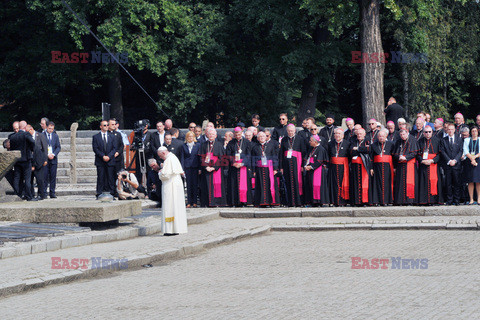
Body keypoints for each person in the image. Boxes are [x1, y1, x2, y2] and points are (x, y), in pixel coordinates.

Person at [158, 147, 188, 235]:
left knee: (170, 205)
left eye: (161, 156)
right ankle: (176, 228)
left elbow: (165, 175)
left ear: (163, 153)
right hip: (176, 183)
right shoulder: (173, 157)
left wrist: (159, 173)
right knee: (176, 206)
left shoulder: (168, 159)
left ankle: (170, 230)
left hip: (170, 184)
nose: (161, 159)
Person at [198, 128, 227, 207]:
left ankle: (217, 203)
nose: (211, 136)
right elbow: (201, 158)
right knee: (206, 186)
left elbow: (222, 158)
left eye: (213, 134)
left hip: (216, 170)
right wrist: (206, 167)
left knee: (217, 185)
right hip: (206, 169)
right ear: (207, 135)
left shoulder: (219, 144)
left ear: (216, 136)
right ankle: (207, 203)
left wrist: (214, 167)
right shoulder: (203, 145)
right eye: (210, 134)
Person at [279, 124, 306, 206]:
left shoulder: (300, 139)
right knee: (288, 182)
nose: (290, 132)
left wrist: (302, 165)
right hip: (286, 165)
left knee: (298, 182)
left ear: (295, 131)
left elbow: (304, 152)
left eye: (292, 131)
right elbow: (280, 154)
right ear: (287, 131)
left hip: (297, 164)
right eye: (289, 131)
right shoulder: (284, 139)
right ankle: (290, 202)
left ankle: (298, 202)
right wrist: (281, 167)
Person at [251, 131, 280, 206]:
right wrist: (253, 171)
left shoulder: (270, 146)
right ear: (257, 138)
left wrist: (275, 169)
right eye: (260, 137)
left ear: (266, 137)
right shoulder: (255, 147)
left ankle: (271, 202)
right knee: (260, 185)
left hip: (269, 169)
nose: (261, 138)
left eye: (263, 136)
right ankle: (261, 202)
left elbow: (274, 157)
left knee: (270, 185)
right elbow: (253, 159)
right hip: (259, 169)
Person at [226, 127, 253, 206]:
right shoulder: (231, 143)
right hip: (234, 167)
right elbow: (228, 154)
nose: (237, 135)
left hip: (243, 167)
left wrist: (242, 163)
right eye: (236, 134)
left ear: (242, 133)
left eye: (239, 133)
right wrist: (233, 163)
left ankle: (244, 201)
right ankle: (235, 201)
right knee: (234, 184)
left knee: (244, 185)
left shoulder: (247, 142)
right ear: (234, 134)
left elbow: (249, 155)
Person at [9, 121, 35, 200]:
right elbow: (33, 142)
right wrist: (31, 149)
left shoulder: (12, 136)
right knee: (27, 179)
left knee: (17, 178)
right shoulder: (26, 134)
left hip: (17, 160)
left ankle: (17, 195)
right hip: (26, 159)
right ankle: (29, 196)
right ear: (25, 126)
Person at [417, 126, 443, 205]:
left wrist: (432, 160)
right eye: (426, 132)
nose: (427, 134)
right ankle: (424, 201)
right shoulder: (420, 141)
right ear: (423, 133)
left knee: (434, 181)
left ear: (432, 132)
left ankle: (434, 200)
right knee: (423, 182)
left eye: (429, 132)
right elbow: (417, 154)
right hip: (424, 165)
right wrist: (422, 160)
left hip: (433, 165)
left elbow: (440, 154)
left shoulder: (437, 141)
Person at [393, 129, 418, 205]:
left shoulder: (412, 140)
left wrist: (406, 157)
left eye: (404, 134)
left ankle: (409, 200)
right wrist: (399, 157)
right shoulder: (398, 142)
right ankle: (400, 201)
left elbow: (414, 153)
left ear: (407, 133)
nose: (402, 136)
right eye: (401, 135)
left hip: (409, 165)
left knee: (409, 182)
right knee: (400, 183)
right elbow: (395, 153)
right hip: (401, 165)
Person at [370, 129, 394, 205]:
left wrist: (394, 167)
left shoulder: (391, 144)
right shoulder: (373, 145)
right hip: (377, 167)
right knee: (377, 183)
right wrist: (371, 168)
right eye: (380, 136)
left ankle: (387, 201)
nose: (381, 137)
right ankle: (377, 201)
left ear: (386, 136)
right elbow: (371, 158)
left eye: (383, 136)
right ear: (377, 137)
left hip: (388, 167)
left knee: (387, 183)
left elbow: (393, 156)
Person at [92, 120, 116, 198]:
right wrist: (103, 156)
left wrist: (109, 156)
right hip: (100, 160)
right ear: (101, 127)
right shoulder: (96, 137)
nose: (106, 127)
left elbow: (114, 148)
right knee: (100, 177)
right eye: (104, 125)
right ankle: (99, 193)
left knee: (110, 177)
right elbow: (95, 148)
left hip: (110, 160)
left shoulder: (112, 136)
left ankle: (112, 193)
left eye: (107, 125)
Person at [441, 123, 463, 205]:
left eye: (452, 129)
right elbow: (442, 151)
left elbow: (461, 151)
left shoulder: (459, 139)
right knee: (448, 183)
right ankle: (449, 200)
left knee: (457, 183)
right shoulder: (443, 140)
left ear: (454, 130)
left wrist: (455, 160)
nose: (450, 131)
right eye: (449, 129)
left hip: (456, 165)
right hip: (447, 165)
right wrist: (449, 161)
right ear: (446, 130)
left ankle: (457, 200)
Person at [303, 136, 329, 206]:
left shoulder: (321, 149)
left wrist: (311, 167)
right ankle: (313, 201)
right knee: (311, 185)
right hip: (311, 170)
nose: (309, 142)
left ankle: (318, 201)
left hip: (318, 170)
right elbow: (308, 157)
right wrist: (306, 165)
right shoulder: (312, 148)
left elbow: (319, 161)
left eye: (311, 141)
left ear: (315, 142)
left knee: (317, 185)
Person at [349, 128, 372, 206]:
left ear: (364, 134)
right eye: (358, 134)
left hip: (364, 165)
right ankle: (356, 201)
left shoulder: (367, 141)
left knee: (364, 183)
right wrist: (361, 150)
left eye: (360, 134)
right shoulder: (353, 141)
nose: (359, 135)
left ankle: (364, 201)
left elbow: (368, 150)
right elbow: (351, 151)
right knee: (355, 183)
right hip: (355, 166)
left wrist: (358, 149)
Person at [328, 128, 350, 206]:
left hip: (343, 167)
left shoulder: (347, 143)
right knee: (333, 184)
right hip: (333, 167)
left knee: (342, 183)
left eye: (339, 134)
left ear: (343, 135)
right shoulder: (330, 143)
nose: (337, 135)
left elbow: (349, 156)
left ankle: (342, 201)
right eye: (336, 134)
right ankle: (334, 201)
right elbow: (328, 155)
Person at [27, 124, 48, 200]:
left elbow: (45, 148)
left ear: (31, 129)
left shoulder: (40, 135)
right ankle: (32, 194)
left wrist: (45, 159)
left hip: (40, 160)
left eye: (27, 131)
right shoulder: (28, 138)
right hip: (32, 161)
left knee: (40, 179)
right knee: (31, 180)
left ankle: (42, 194)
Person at [180, 131, 201, 208]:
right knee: (188, 185)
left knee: (195, 185)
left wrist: (199, 168)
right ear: (187, 137)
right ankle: (189, 202)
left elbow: (199, 157)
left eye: (192, 136)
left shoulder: (198, 145)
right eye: (189, 136)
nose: (190, 138)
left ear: (194, 137)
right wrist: (182, 169)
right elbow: (182, 157)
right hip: (187, 167)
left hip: (195, 167)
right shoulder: (183, 146)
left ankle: (195, 202)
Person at [463, 126, 480, 204]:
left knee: (478, 181)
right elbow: (465, 150)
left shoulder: (479, 140)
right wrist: (472, 159)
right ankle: (471, 199)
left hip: (478, 161)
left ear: (477, 132)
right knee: (470, 181)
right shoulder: (467, 140)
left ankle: (479, 198)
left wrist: (475, 157)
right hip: (469, 161)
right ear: (470, 132)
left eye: (475, 131)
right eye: (472, 131)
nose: (474, 133)